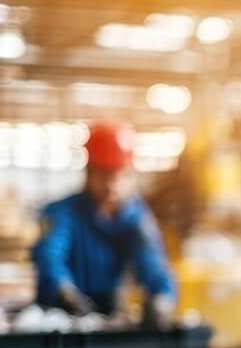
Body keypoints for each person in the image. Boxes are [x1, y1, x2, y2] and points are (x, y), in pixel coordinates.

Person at [33, 120, 176, 326]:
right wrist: (63, 292)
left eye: (119, 176)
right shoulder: (62, 214)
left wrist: (162, 299)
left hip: (107, 317)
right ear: (90, 173)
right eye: (105, 176)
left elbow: (152, 263)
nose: (112, 186)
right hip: (59, 319)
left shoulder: (135, 219)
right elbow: (49, 256)